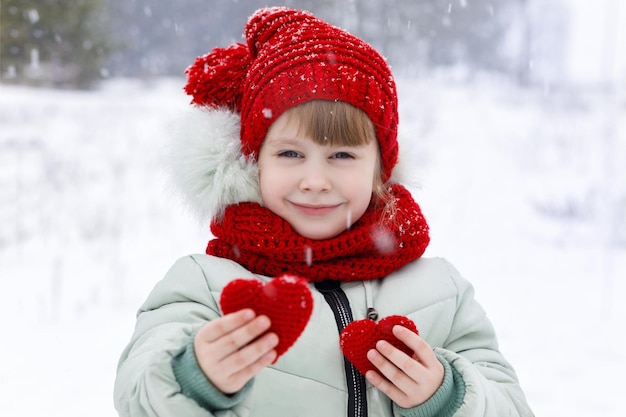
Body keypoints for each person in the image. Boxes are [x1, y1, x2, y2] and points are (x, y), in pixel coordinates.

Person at [114, 6, 534, 417]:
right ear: (254, 162)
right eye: (291, 153)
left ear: (380, 169)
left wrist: (447, 394)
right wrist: (194, 375)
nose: (315, 180)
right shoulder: (205, 285)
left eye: (342, 155)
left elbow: (510, 406)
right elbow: (139, 393)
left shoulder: (441, 291)